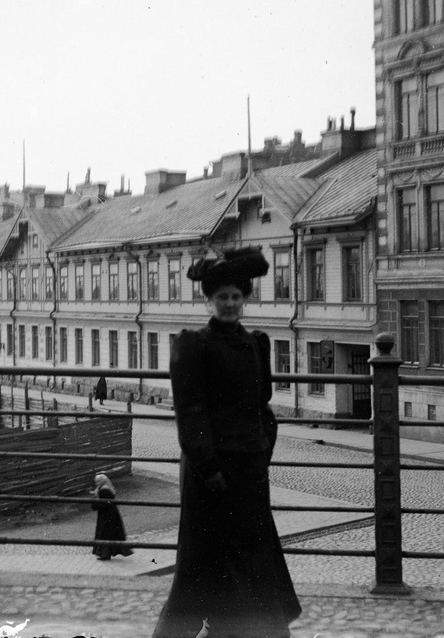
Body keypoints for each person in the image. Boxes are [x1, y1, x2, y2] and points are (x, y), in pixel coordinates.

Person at [152, 247, 301, 638]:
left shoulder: (256, 344)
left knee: (252, 554)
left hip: (249, 468)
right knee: (202, 559)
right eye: (222, 298)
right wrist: (209, 466)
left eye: (236, 297)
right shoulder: (195, 345)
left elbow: (262, 403)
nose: (230, 304)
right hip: (210, 471)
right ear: (209, 302)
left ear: (245, 300)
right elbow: (190, 410)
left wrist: (262, 445)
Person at [90, 473, 133, 561]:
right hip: (110, 514)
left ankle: (104, 554)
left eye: (97, 481)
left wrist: (94, 502)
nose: (96, 483)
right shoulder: (106, 488)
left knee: (104, 534)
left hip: (106, 515)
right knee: (108, 534)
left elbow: (102, 504)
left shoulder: (104, 490)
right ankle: (105, 553)